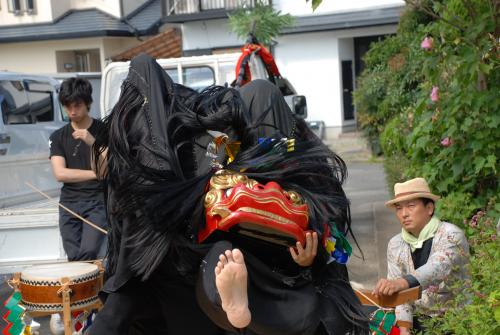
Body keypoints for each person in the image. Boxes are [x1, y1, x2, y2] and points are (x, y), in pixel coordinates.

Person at [372, 177, 470, 334]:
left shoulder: (451, 235)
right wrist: (405, 329)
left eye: (411, 206)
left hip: (456, 321)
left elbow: (438, 267)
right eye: (398, 208)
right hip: (419, 321)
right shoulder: (395, 244)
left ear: (429, 208)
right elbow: (400, 297)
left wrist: (401, 283)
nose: (404, 214)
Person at [49, 77, 107, 334]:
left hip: (97, 202)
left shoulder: (103, 130)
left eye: (77, 105)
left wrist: (92, 142)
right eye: (68, 106)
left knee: (89, 251)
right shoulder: (58, 136)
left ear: (87, 103)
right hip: (69, 203)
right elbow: (60, 174)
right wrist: (95, 173)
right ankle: (82, 311)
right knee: (75, 257)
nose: (72, 111)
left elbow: (109, 168)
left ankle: (77, 309)